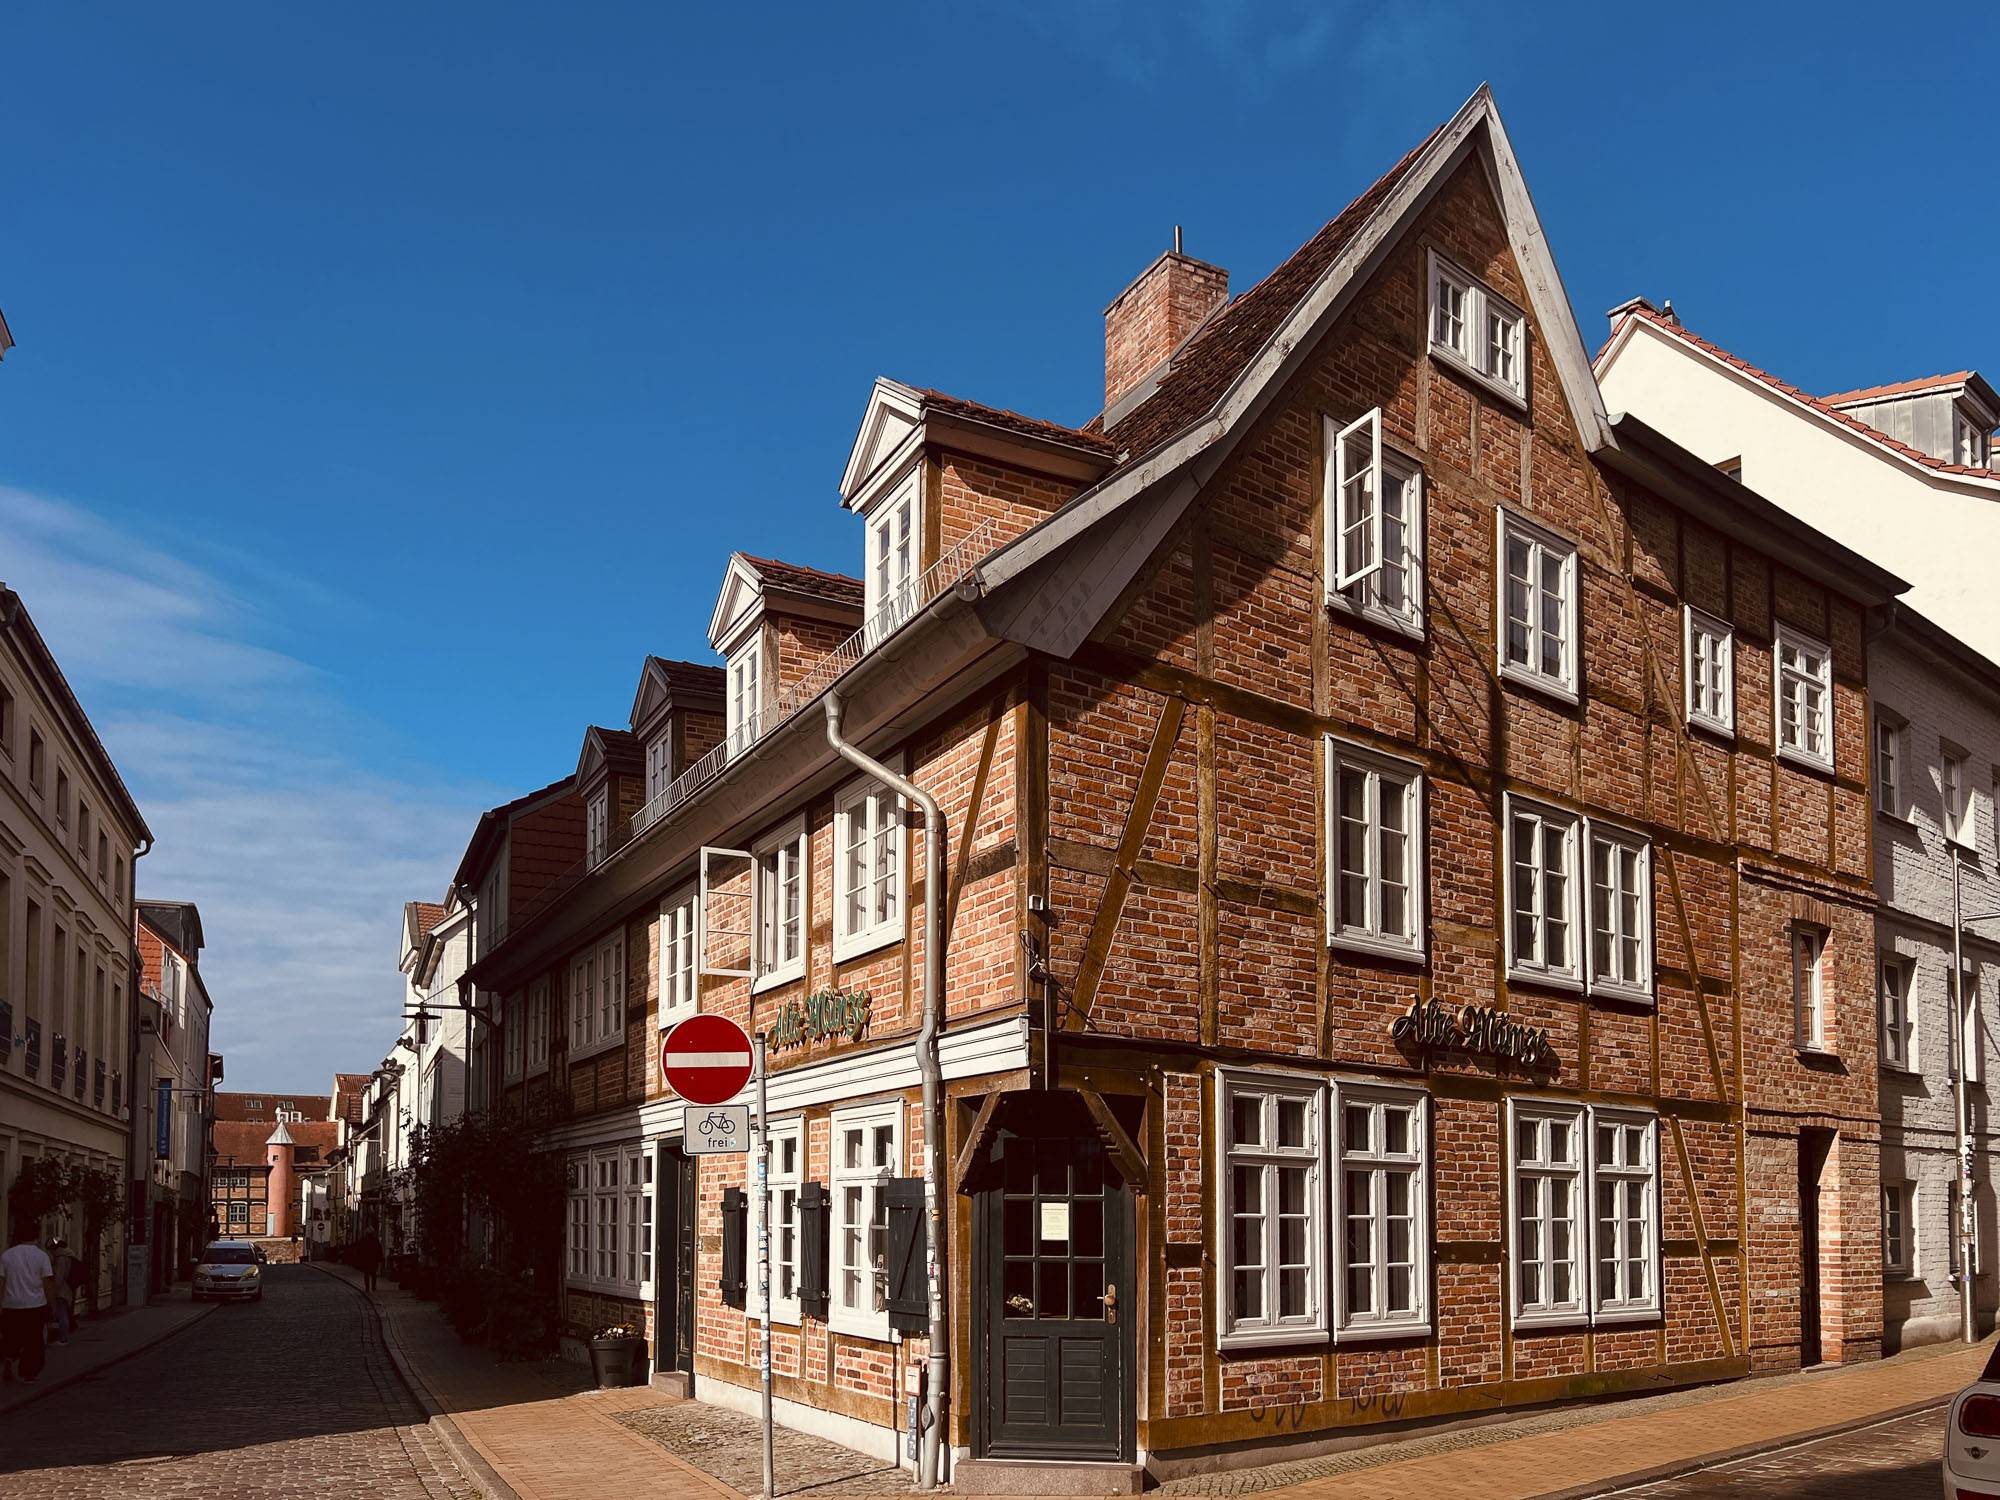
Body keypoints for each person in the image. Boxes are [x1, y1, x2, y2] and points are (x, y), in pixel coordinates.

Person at [0, 1223, 55, 1384]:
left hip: (11, 1303)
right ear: (36, 1236)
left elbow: (2, 1282)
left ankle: (9, 1357)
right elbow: (47, 1283)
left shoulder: (7, 1256)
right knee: (34, 1340)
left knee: (12, 1335)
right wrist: (52, 1303)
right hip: (35, 1304)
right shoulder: (41, 1256)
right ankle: (28, 1373)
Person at [46, 1237, 79, 1345]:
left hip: (62, 1290)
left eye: (50, 1250)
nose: (49, 1253)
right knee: (64, 1312)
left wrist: (54, 1290)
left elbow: (59, 1277)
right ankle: (65, 1334)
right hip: (69, 1288)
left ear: (55, 1249)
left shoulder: (61, 1258)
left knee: (61, 1313)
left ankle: (63, 1339)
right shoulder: (69, 1256)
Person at [354, 1229, 382, 1293]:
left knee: (367, 1274)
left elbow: (358, 1250)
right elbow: (379, 1250)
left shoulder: (363, 1240)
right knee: (373, 1274)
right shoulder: (375, 1240)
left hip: (366, 1260)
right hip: (373, 1260)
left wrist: (359, 1259)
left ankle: (367, 1288)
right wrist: (380, 1258)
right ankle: (373, 1287)